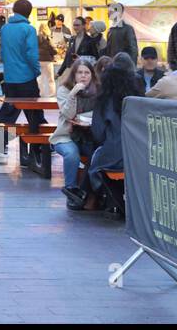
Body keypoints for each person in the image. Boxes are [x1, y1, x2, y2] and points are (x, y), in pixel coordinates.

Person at [87, 52, 141, 218]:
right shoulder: (138, 99)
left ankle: (91, 199)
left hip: (115, 153)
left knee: (94, 157)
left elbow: (98, 133)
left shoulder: (105, 100)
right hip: (139, 154)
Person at [0, 0, 44, 154]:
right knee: (34, 112)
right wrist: (36, 71)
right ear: (29, 12)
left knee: (8, 111)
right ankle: (38, 147)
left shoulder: (5, 29)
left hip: (10, 78)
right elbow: (31, 54)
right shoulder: (28, 29)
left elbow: (2, 54)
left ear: (14, 10)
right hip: (27, 77)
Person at [51, 57, 99, 209]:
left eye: (87, 72)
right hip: (66, 136)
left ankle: (90, 194)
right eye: (79, 72)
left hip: (89, 136)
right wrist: (73, 94)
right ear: (74, 75)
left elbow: (99, 113)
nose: (83, 76)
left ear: (92, 75)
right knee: (72, 154)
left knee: (97, 154)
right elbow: (67, 114)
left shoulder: (97, 90)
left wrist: (85, 117)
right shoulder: (64, 90)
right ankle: (71, 191)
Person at [36, 23, 56, 98]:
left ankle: (40, 93)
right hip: (47, 61)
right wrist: (55, 52)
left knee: (39, 78)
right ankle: (51, 94)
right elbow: (52, 49)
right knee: (50, 79)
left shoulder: (36, 38)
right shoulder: (48, 38)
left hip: (38, 60)